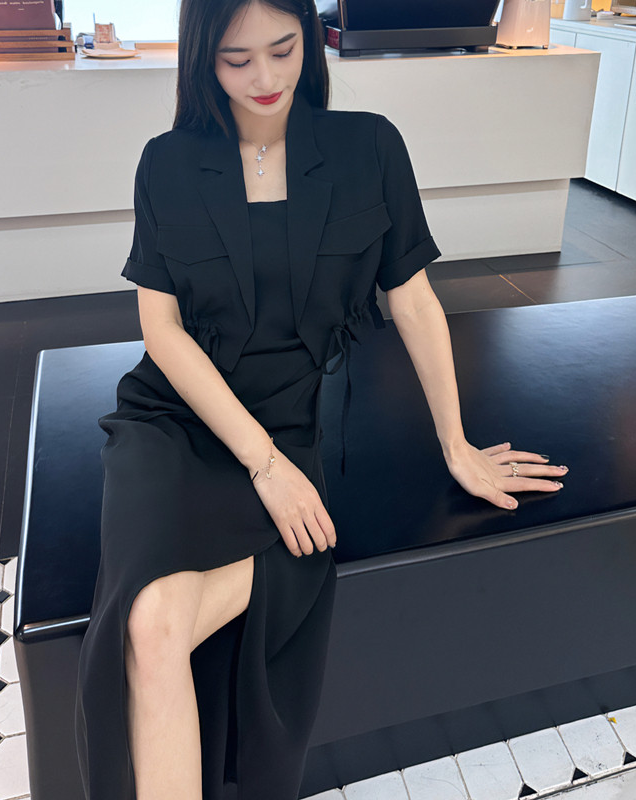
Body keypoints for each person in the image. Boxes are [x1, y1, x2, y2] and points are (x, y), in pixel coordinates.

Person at [73, 1, 569, 798]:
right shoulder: (167, 162)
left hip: (291, 416)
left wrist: (456, 444)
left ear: (312, 37)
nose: (265, 77)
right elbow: (161, 331)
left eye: (284, 49)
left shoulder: (368, 147)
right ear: (202, 58)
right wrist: (262, 465)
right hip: (176, 418)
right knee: (149, 625)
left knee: (158, 623)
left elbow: (413, 300)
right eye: (237, 59)